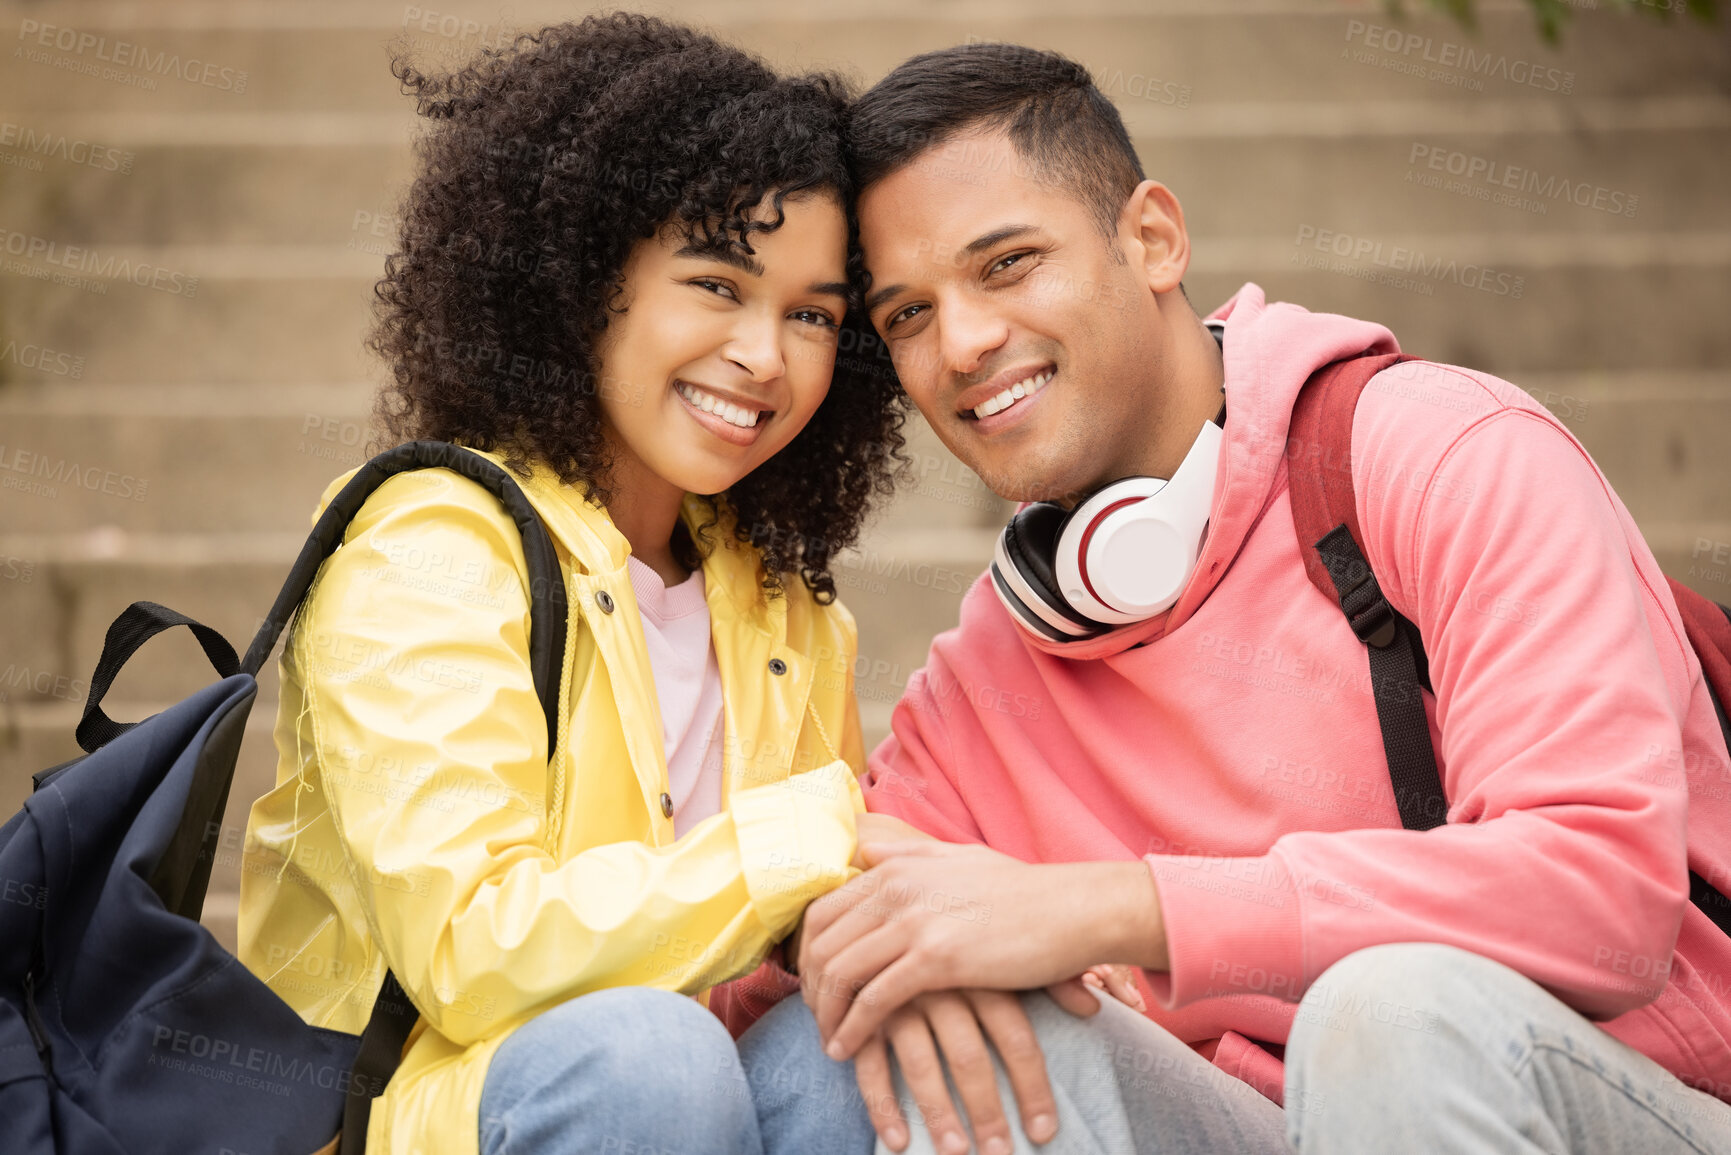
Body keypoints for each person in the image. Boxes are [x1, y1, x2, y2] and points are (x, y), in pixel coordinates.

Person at [744, 41, 1731, 1155]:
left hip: (1625, 1097)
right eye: (908, 315)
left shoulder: (1442, 457)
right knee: (940, 1027)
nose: (962, 343)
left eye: (1008, 264)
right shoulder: (990, 678)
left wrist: (1123, 909)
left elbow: (1599, 893)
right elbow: (784, 951)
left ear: (1153, 238)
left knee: (1389, 1017)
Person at [234, 15, 912, 1155]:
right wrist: (813, 836)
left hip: (672, 1106)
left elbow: (792, 941)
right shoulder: (433, 546)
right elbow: (469, 951)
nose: (765, 356)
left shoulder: (785, 603)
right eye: (716, 284)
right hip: (413, 1118)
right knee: (654, 1059)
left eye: (812, 315)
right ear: (583, 281)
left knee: (866, 1049)